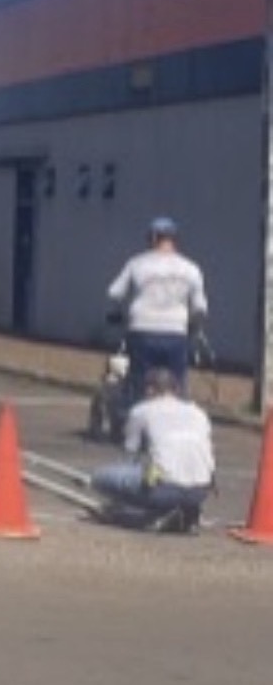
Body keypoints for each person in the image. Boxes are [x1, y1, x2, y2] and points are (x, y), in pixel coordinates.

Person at [90, 367, 215, 534]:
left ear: (149, 390)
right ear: (176, 389)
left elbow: (130, 452)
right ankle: (186, 510)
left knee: (100, 477)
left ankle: (149, 513)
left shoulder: (141, 410)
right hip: (201, 490)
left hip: (165, 488)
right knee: (159, 473)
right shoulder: (198, 412)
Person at [106, 216, 208, 405]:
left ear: (153, 238)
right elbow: (200, 307)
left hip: (142, 329)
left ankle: (136, 422)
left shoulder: (137, 264)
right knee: (177, 383)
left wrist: (117, 312)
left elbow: (115, 293)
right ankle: (177, 420)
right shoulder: (191, 268)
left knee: (139, 382)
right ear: (175, 239)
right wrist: (194, 325)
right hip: (176, 332)